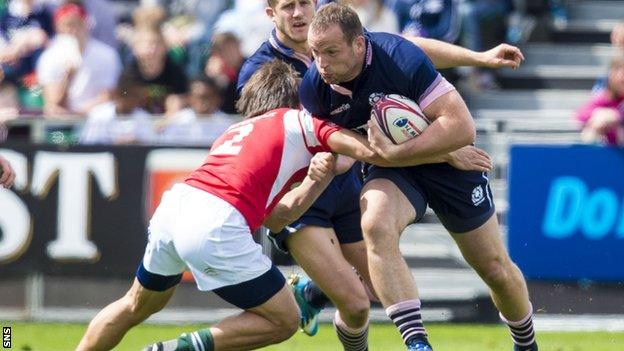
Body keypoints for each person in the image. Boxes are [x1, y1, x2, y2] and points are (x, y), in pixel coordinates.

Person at [76, 60, 489, 351]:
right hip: (217, 222)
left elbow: (276, 217)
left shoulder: (237, 132)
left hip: (176, 208)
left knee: (135, 303)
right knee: (284, 320)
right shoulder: (304, 121)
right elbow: (372, 151)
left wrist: (315, 180)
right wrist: (445, 153)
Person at [237, 0, 520, 347]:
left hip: (348, 180)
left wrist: (478, 58)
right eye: (287, 6)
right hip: (307, 186)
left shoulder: (342, 31)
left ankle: (315, 291)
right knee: (356, 300)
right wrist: (444, 148)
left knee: (370, 293)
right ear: (271, 14)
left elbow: (406, 47)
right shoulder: (263, 71)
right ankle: (409, 339)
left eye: (303, 3)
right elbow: (317, 144)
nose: (297, 13)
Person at [36, 3, 121, 116]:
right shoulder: (49, 57)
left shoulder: (107, 55)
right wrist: (67, 79)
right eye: (67, 25)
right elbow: (53, 103)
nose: (73, 30)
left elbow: (107, 97)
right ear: (58, 27)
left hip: (96, 119)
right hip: (63, 122)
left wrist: (79, 114)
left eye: (77, 23)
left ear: (86, 24)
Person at [576, 56, 624, 146]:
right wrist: (601, 114)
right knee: (594, 125)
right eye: (621, 80)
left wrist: (617, 117)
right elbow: (580, 114)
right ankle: (590, 156)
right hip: (611, 148)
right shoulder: (606, 97)